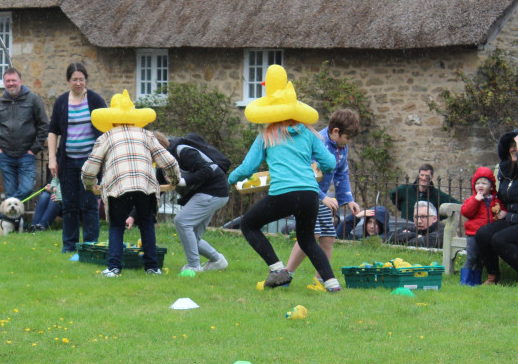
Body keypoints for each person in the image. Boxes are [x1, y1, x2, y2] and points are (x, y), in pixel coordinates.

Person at [228, 65, 340, 291]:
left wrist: (229, 179)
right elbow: (330, 164)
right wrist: (310, 166)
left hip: (284, 194)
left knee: (249, 224)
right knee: (307, 239)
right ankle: (332, 283)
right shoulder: (309, 133)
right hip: (309, 194)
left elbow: (248, 167)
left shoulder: (267, 135)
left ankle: (277, 268)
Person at [80, 91, 179, 276]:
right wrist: (174, 179)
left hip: (118, 186)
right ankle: (152, 267)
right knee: (146, 223)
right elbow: (169, 161)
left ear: (112, 118)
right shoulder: (146, 134)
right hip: (145, 185)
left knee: (117, 225)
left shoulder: (106, 137)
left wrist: (89, 184)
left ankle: (114, 268)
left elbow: (89, 168)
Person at [285, 109, 361, 282]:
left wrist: (348, 199)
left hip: (322, 198)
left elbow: (341, 173)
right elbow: (305, 173)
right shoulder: (316, 142)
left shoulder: (342, 147)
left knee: (328, 237)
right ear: (335, 131)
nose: (348, 143)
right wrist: (322, 197)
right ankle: (285, 274)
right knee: (311, 235)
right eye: (347, 138)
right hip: (305, 194)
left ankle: (321, 280)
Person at [47, 62, 107, 252]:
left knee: (89, 204)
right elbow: (53, 131)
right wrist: (51, 158)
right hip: (67, 162)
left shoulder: (95, 100)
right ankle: (69, 246)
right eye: (75, 79)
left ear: (86, 80)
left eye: (81, 79)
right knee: (69, 205)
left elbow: (106, 129)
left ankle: (90, 245)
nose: (78, 83)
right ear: (68, 81)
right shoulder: (61, 102)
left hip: (90, 163)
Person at [156, 131, 231, 274]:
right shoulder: (162, 166)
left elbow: (207, 170)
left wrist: (183, 181)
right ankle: (217, 261)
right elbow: (157, 190)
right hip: (208, 193)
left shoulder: (182, 151)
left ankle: (193, 266)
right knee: (193, 238)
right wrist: (134, 215)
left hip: (214, 190)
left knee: (182, 221)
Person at [0, 67, 48, 201]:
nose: (11, 83)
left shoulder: (33, 99)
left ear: (21, 81)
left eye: (14, 80)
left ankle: (4, 216)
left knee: (26, 189)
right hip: (5, 155)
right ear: (4, 83)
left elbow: (43, 126)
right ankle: (16, 221)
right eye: (8, 81)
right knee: (10, 192)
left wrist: (33, 150)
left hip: (26, 154)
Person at [474, 130, 518, 285]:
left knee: (499, 240)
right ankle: (492, 276)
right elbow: (503, 196)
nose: (513, 149)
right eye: (511, 145)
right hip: (512, 218)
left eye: (517, 145)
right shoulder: (506, 170)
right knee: (483, 234)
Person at [459, 166, 500, 285]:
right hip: (473, 234)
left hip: (487, 237)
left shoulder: (495, 201)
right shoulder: (472, 199)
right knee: (471, 257)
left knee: (481, 260)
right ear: (474, 186)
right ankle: (465, 281)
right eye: (478, 183)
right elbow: (466, 212)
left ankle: (477, 281)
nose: (480, 185)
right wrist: (476, 200)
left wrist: (501, 212)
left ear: (491, 187)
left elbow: (500, 211)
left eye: (484, 183)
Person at [389, 163, 457, 220]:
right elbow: (393, 195)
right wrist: (403, 207)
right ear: (418, 175)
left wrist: (436, 217)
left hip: (426, 231)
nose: (424, 178)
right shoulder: (405, 189)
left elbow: (455, 204)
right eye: (422, 175)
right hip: (407, 227)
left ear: (432, 177)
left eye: (427, 176)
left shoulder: (436, 194)